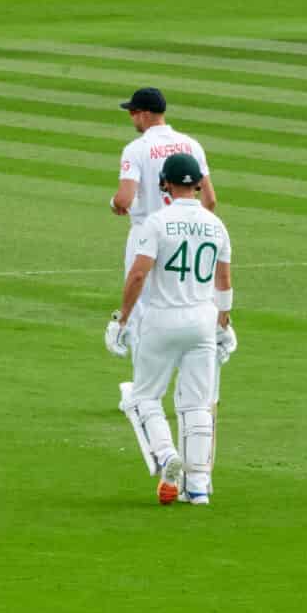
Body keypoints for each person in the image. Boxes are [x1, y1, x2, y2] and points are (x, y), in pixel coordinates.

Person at [108, 151, 234, 506]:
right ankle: (197, 487)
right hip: (202, 321)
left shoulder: (157, 222)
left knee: (144, 397)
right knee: (197, 405)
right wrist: (223, 323)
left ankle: (166, 456)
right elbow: (223, 281)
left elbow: (138, 273)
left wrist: (123, 318)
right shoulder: (216, 224)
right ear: (196, 184)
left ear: (165, 184)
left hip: (162, 318)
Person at [112, 86, 217, 254]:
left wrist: (114, 203)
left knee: (138, 280)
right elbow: (210, 200)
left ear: (144, 114)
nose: (131, 117)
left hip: (145, 236)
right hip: (185, 237)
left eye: (132, 112)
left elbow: (124, 200)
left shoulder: (136, 149)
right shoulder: (192, 145)